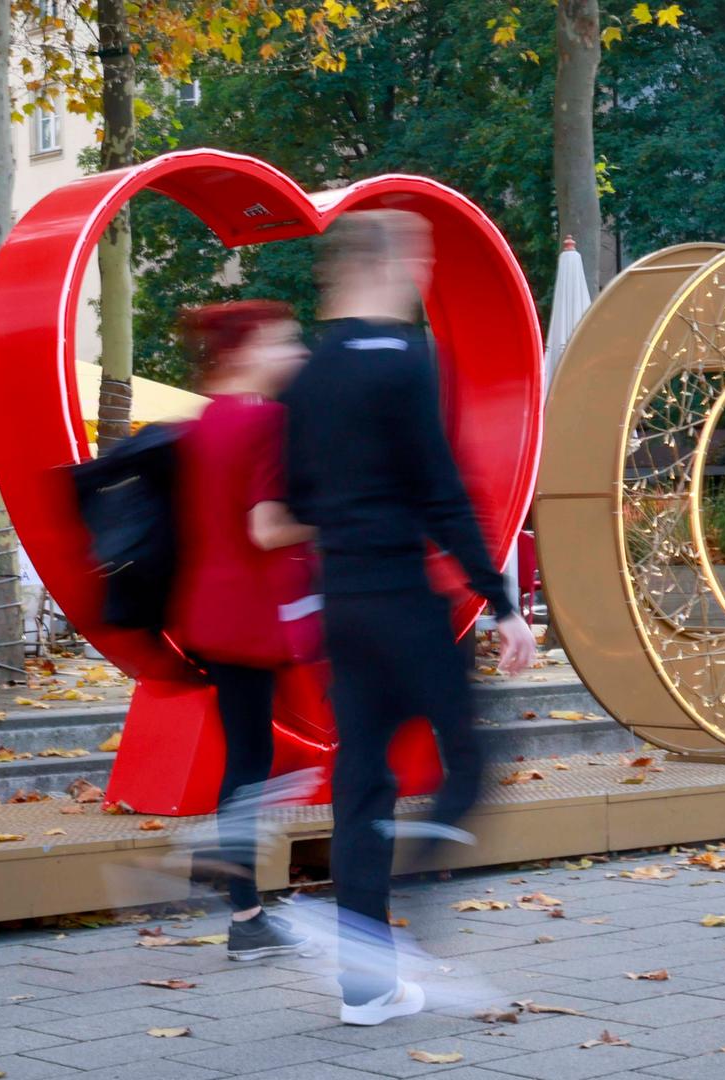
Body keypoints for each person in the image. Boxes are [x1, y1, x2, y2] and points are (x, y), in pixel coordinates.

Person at [282, 210, 539, 1026]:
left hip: (343, 608)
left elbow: (293, 501)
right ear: (388, 263)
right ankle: (421, 910)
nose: (423, 275)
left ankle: (368, 985)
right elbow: (440, 491)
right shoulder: (408, 361)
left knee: (363, 785)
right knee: (469, 763)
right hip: (403, 603)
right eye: (420, 260)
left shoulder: (310, 374)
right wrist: (501, 605)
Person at [166, 300, 317, 961]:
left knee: (250, 755)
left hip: (208, 610)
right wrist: (336, 520)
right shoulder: (268, 423)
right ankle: (244, 906)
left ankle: (247, 907)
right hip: (256, 615)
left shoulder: (201, 424)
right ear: (246, 349)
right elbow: (265, 529)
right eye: (284, 340)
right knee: (255, 763)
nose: (296, 353)